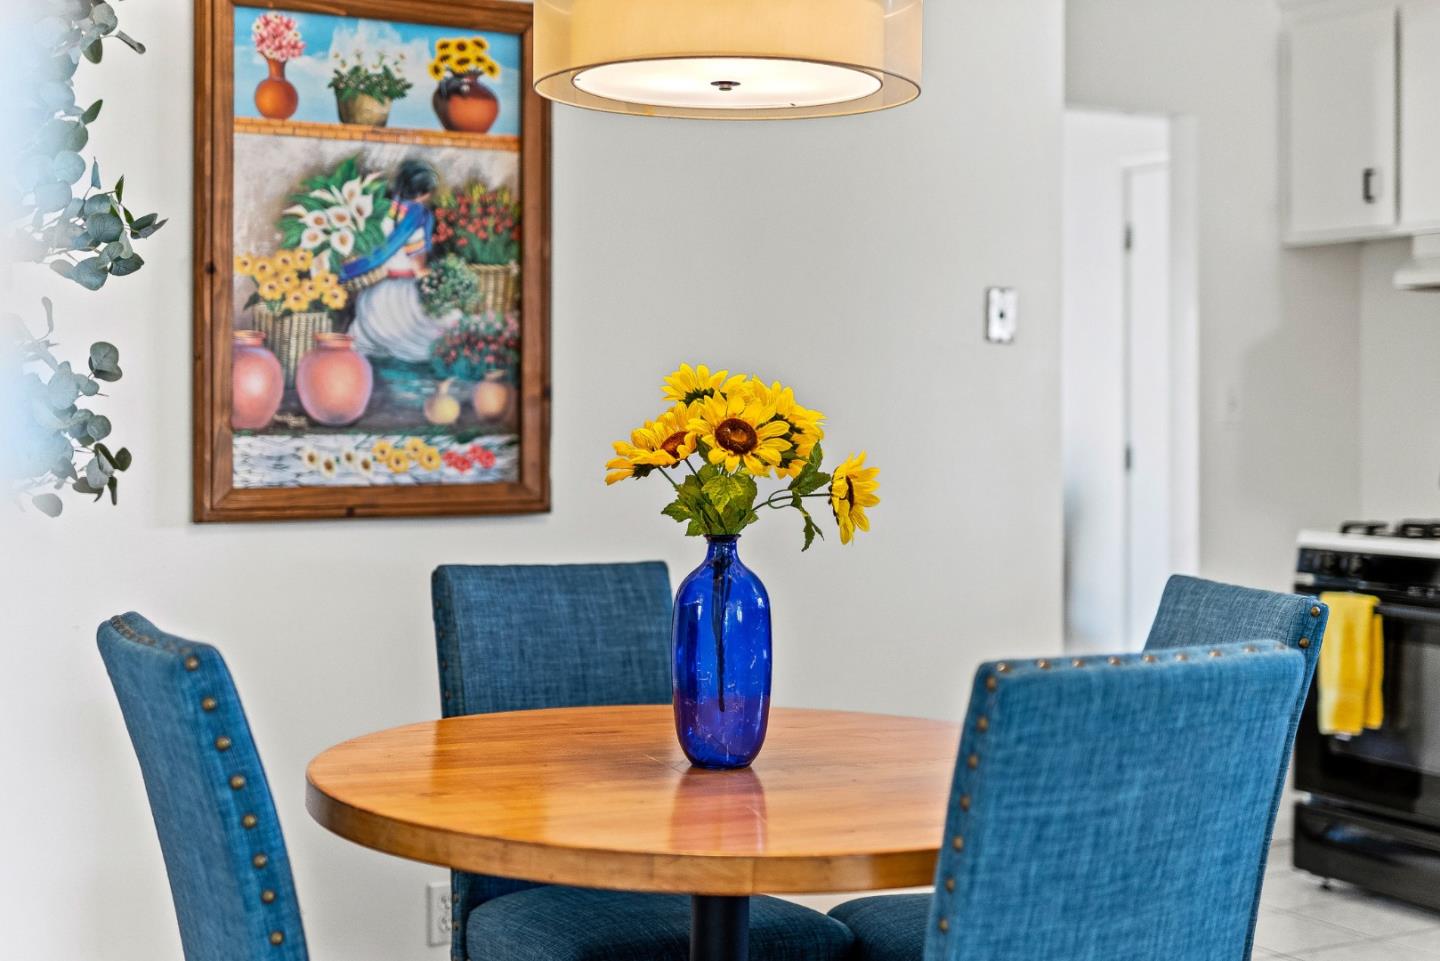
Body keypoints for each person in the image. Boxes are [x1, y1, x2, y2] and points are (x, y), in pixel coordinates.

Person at [343, 159, 450, 363]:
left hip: (375, 294)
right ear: (422, 193)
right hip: (402, 294)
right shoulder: (417, 216)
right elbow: (418, 265)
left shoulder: (384, 207)